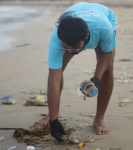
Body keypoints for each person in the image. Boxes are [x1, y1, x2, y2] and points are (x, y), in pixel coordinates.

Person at [34, 2, 117, 142]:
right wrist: (54, 121)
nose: (70, 52)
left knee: (108, 69)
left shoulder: (103, 28)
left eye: (74, 49)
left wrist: (96, 79)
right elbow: (54, 78)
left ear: (86, 37)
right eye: (66, 48)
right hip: (73, 29)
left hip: (103, 18)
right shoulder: (57, 40)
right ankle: (53, 114)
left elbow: (107, 54)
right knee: (57, 73)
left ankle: (99, 119)